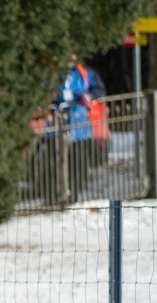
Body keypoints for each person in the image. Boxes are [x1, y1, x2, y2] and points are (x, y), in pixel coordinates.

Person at [56, 56, 108, 201]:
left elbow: (100, 90)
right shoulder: (56, 73)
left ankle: (75, 194)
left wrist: (89, 95)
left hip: (81, 127)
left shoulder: (86, 73)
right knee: (61, 162)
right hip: (60, 127)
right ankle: (62, 194)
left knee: (79, 163)